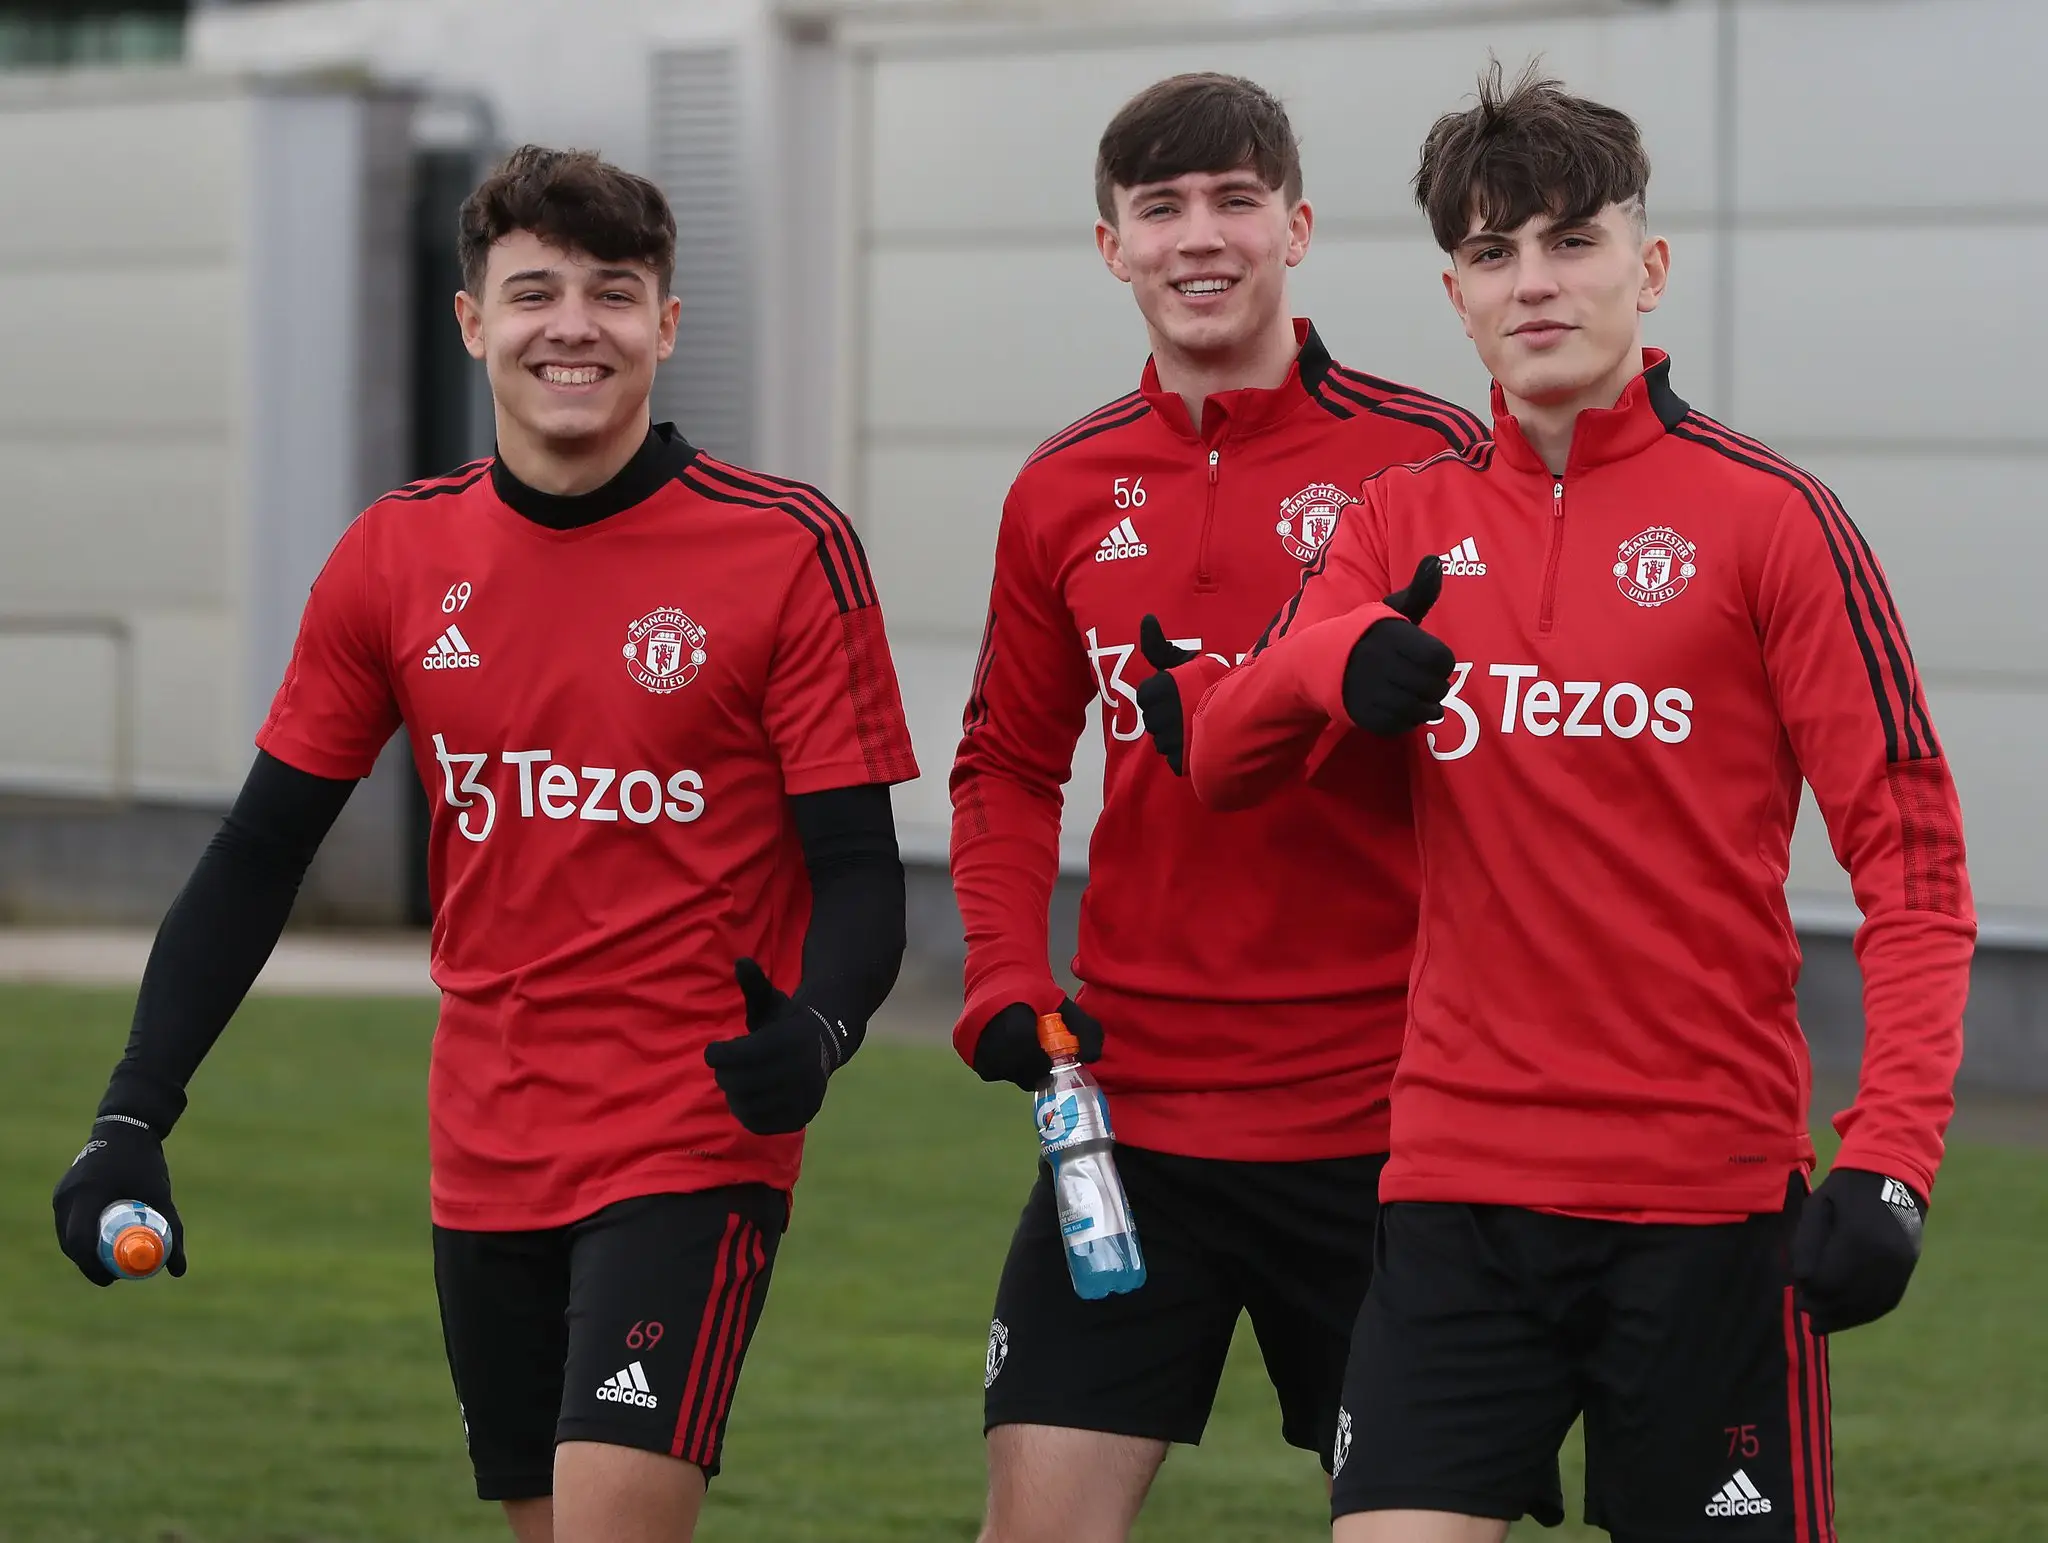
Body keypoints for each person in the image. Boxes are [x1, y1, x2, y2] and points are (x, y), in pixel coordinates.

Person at [51, 145, 919, 1543]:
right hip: (485, 1142)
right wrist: (130, 1114)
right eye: (533, 292)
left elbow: (863, 870)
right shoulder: (394, 558)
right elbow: (260, 851)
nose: (572, 324)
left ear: (667, 324)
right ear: (473, 322)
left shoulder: (783, 547)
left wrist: (816, 1028)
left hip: (691, 1137)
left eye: (613, 293)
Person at [1175, 64, 1974, 1543]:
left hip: (1709, 1200)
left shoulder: (1772, 521)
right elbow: (1219, 759)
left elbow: (1913, 868)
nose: (1533, 282)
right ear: (1456, 293)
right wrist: (1338, 661)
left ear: (1646, 268)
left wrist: (1893, 1156)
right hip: (1456, 1189)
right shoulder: (1396, 524)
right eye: (1493, 252)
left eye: (1570, 241)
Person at [949, 74, 1485, 1543]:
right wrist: (1004, 970)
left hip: (1389, 1118)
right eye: (1161, 207)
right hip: (1129, 1116)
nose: (1201, 235)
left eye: (1235, 199)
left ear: (1296, 228)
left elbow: (1515, 764)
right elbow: (1004, 762)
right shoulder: (1060, 487)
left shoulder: (1432, 457)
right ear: (1110, 246)